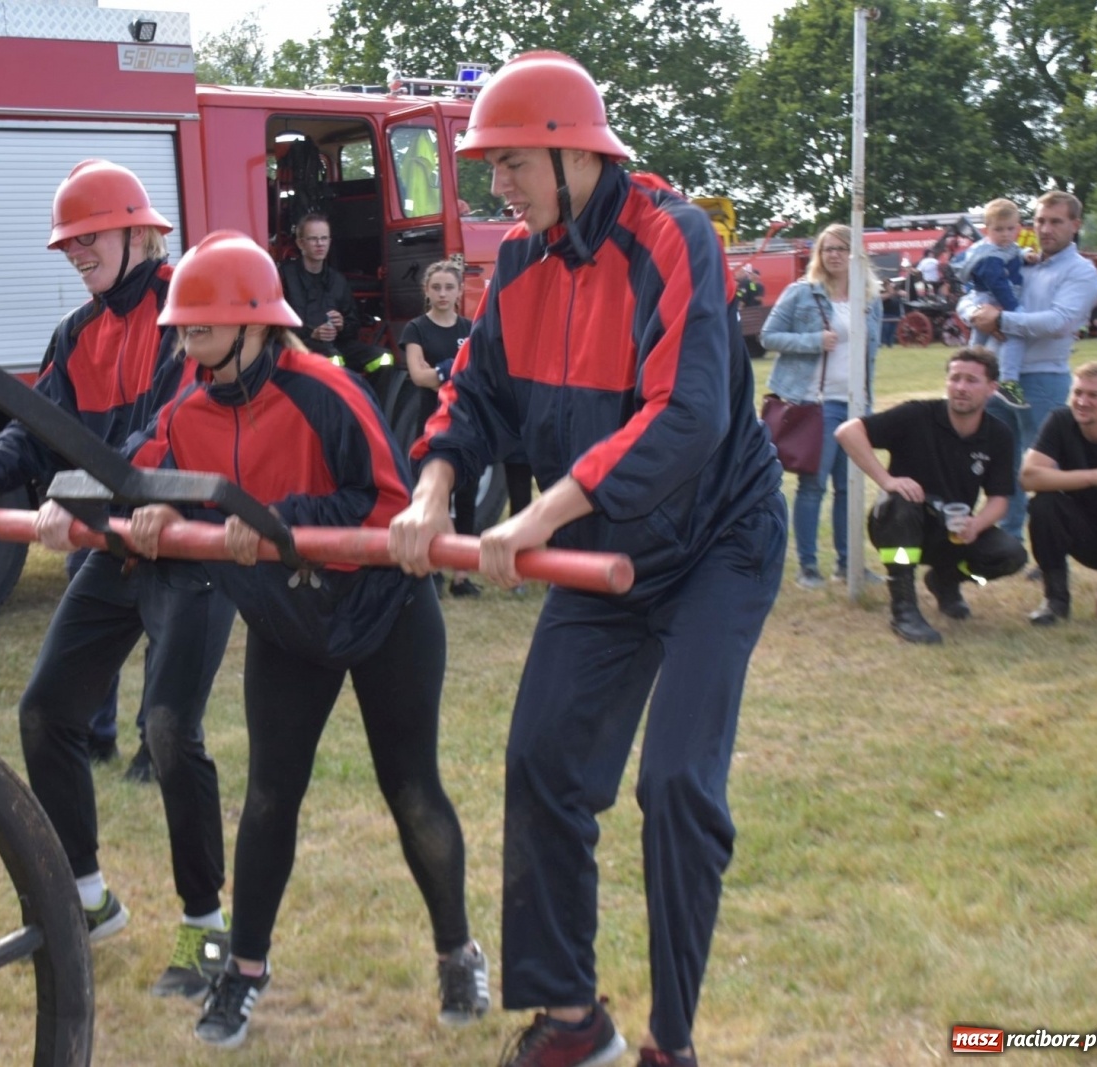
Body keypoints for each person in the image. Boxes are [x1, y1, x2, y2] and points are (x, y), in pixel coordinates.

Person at [388, 52, 786, 1067]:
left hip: (715, 543)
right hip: (603, 550)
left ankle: (672, 1042)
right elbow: (472, 396)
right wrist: (432, 486)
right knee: (542, 764)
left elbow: (687, 413)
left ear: (569, 151)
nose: (497, 187)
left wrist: (540, 516)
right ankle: (573, 1018)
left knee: (678, 784)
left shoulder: (673, 234)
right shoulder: (518, 263)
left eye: (510, 163)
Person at [70, 231, 484, 1048]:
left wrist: (267, 521)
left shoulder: (327, 390)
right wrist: (128, 510)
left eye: (200, 330)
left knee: (411, 790)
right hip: (289, 621)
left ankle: (457, 951)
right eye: (181, 332)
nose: (185, 346)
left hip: (384, 611)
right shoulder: (188, 405)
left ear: (256, 326)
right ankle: (245, 970)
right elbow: (137, 473)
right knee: (268, 797)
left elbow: (387, 502)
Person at [0, 159, 237, 1000]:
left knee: (170, 734)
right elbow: (42, 420)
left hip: (190, 548)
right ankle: (85, 897)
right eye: (68, 242)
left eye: (90, 237)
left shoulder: (187, 301)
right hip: (116, 549)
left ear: (139, 231)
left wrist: (73, 495)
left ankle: (208, 938)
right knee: (46, 711)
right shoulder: (79, 330)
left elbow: (167, 427)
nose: (76, 252)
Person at [835, 347, 1028, 644]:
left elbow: (1000, 500)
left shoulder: (998, 434)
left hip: (950, 532)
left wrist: (975, 526)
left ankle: (946, 580)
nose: (961, 387)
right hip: (898, 529)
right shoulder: (917, 415)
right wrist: (887, 480)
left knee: (1012, 556)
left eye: (972, 381)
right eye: (955, 378)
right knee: (903, 503)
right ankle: (904, 608)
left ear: (992, 389)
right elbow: (848, 432)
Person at [969, 190, 1097, 541]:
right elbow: (974, 292)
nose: (1045, 228)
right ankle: (1008, 542)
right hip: (1000, 381)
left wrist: (1000, 320)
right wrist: (974, 313)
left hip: (1044, 379)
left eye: (1056, 221)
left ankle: (1052, 546)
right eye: (1040, 220)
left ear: (1075, 225)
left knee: (1046, 471)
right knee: (999, 466)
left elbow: (1058, 321)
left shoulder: (1082, 272)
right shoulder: (1020, 261)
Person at [759, 223, 881, 589]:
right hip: (817, 404)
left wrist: (867, 402)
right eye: (827, 249)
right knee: (814, 486)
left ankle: (849, 565)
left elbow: (868, 355)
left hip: (855, 406)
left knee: (850, 487)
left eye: (841, 248)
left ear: (855, 254)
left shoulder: (869, 299)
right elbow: (768, 335)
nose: (834, 255)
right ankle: (808, 567)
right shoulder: (802, 293)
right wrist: (813, 340)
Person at [402, 259, 479, 596]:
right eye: (437, 287)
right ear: (426, 292)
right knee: (434, 498)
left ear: (461, 291)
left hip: (466, 421)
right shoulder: (416, 329)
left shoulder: (470, 328)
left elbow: (478, 373)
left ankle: (462, 576)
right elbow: (419, 375)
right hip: (432, 423)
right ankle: (431, 569)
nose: (443, 293)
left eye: (449, 287)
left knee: (466, 499)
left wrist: (448, 373)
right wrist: (449, 374)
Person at [1019, 361, 1097, 624]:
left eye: (1093, 395)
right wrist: (1094, 477)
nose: (1082, 402)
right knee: (1044, 503)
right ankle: (1056, 601)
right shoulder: (1061, 421)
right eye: (1078, 393)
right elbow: (1029, 477)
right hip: (1087, 533)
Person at [278, 212, 390, 376]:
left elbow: (354, 325)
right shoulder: (284, 276)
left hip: (336, 344)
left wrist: (342, 325)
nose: (320, 244)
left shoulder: (338, 280)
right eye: (313, 239)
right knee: (334, 360)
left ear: (330, 242)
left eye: (324, 238)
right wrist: (312, 333)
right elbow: (275, 326)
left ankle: (367, 401)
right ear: (300, 243)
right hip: (297, 346)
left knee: (384, 358)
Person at [953, 199, 1028, 406]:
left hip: (987, 299)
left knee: (979, 344)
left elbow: (1012, 252)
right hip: (989, 298)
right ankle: (1008, 381)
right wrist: (1014, 310)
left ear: (1018, 228)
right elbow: (998, 285)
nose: (1005, 234)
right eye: (999, 230)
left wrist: (1025, 254)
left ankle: (966, 374)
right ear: (987, 230)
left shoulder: (998, 248)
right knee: (1011, 336)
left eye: (1010, 229)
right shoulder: (989, 257)